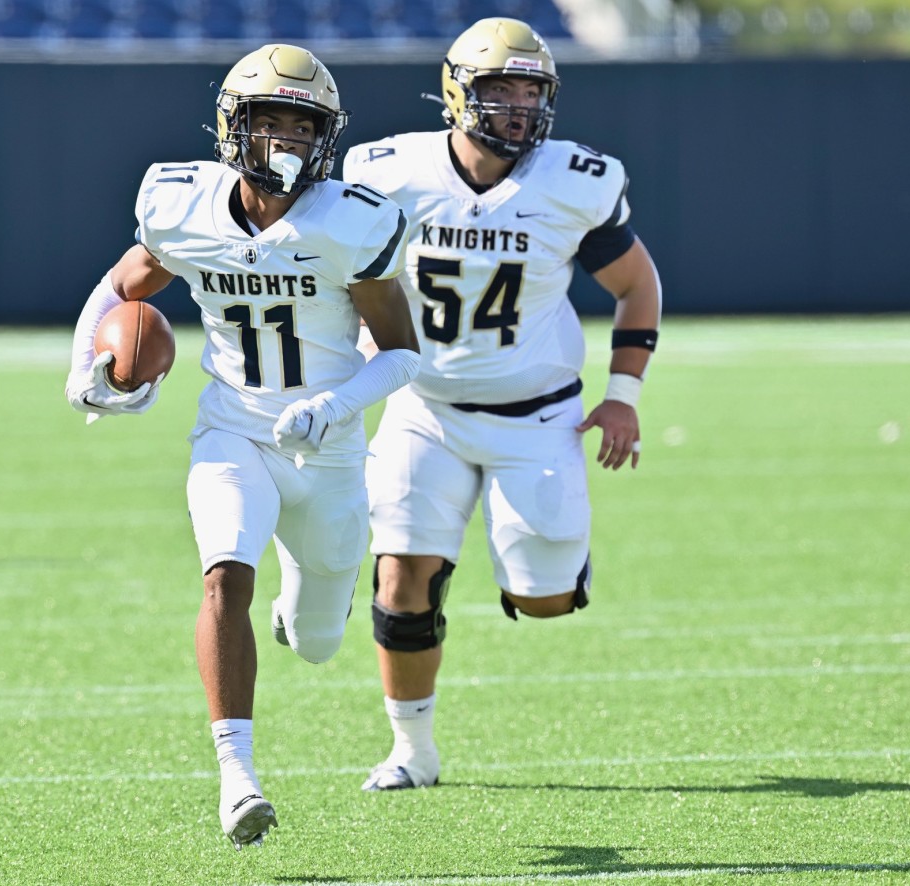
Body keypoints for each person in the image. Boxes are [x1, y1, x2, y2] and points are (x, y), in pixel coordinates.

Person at [64, 45, 420, 845]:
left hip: (327, 453)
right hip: (233, 431)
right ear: (235, 128)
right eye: (272, 124)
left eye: (306, 125)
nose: (289, 141)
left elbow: (402, 352)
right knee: (225, 576)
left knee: (322, 640)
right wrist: (86, 367)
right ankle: (237, 776)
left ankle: (307, 606)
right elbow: (124, 286)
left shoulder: (349, 222)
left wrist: (338, 405)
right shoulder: (182, 206)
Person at [341, 17, 662, 791]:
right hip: (426, 408)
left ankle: (538, 545)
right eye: (500, 90)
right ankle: (412, 752)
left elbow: (635, 287)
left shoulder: (572, 180)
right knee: (401, 581)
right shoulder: (389, 173)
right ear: (457, 91)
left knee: (544, 601)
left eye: (531, 91)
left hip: (538, 416)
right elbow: (340, 271)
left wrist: (622, 397)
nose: (518, 107)